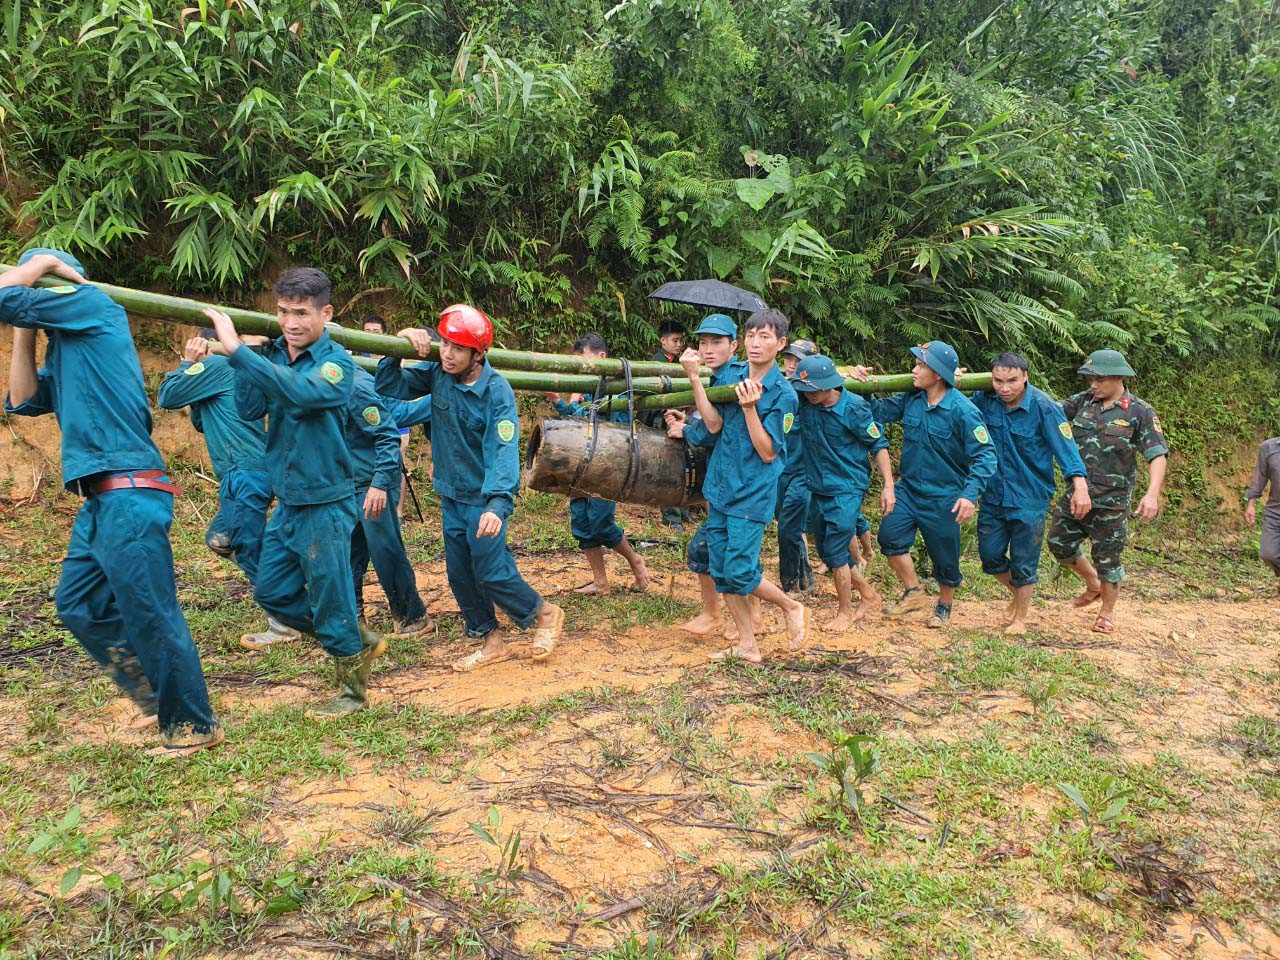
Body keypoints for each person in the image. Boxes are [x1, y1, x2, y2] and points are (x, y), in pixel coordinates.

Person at [1, 249, 222, 755]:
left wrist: (34, 273)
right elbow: (24, 398)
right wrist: (24, 326)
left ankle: (192, 723)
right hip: (99, 498)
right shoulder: (66, 344)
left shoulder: (96, 306)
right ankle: (155, 696)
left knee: (151, 612)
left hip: (129, 489)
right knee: (77, 604)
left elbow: (5, 295)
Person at [205, 268, 383, 717]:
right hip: (287, 500)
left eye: (301, 313)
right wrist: (246, 356)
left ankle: (351, 693)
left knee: (332, 597)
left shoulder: (336, 363)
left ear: (326, 313)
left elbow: (304, 396)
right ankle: (355, 640)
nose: (291, 322)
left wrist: (243, 356)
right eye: (283, 312)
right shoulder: (275, 356)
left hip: (325, 501)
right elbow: (248, 407)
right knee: (272, 592)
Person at [375, 304, 565, 671]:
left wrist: (497, 503)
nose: (446, 353)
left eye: (457, 348)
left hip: (483, 497)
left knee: (491, 569)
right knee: (459, 573)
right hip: (452, 494)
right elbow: (390, 388)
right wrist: (394, 348)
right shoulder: (438, 373)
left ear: (477, 354)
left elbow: (503, 449)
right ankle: (490, 639)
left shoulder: (497, 393)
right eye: (444, 343)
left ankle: (543, 613)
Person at [669, 308, 808, 662]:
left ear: (780, 343)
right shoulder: (730, 375)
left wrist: (749, 409)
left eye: (765, 337)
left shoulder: (783, 395)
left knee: (741, 569)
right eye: (751, 336)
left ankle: (791, 607)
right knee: (721, 569)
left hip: (753, 490)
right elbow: (713, 425)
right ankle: (747, 643)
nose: (756, 343)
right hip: (720, 486)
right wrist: (697, 380)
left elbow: (766, 452)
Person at [157, 332, 301, 650]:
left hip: (245, 472)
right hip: (241, 474)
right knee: (220, 538)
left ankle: (286, 622)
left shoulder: (217, 365)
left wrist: (187, 362)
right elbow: (199, 423)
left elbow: (167, 396)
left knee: (245, 544)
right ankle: (286, 576)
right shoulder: (223, 373)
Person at [865, 341, 997, 628]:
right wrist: (859, 383)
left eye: (921, 365)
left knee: (944, 556)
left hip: (945, 496)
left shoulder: (963, 410)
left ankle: (945, 605)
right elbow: (878, 411)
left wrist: (969, 494)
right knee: (889, 537)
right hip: (909, 490)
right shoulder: (912, 399)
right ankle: (914, 591)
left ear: (938, 374)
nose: (914, 370)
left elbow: (986, 455)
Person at [969, 352, 1091, 635]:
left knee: (1025, 559)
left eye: (1012, 380)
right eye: (998, 381)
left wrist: (1080, 487)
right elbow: (953, 405)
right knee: (990, 556)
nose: (1005, 388)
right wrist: (954, 377)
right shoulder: (985, 400)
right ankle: (1019, 594)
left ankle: (1021, 618)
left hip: (1030, 496)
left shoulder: (1044, 407)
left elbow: (1066, 450)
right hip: (994, 494)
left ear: (1026, 377)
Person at [1046, 349, 1168, 633]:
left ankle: (1107, 613)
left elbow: (1157, 455)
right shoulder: (1081, 403)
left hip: (1112, 502)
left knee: (1108, 559)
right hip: (1076, 494)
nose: (1093, 384)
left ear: (1119, 378)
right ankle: (1093, 583)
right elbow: (1045, 410)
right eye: (1090, 378)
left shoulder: (1139, 412)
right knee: (1058, 543)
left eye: (1099, 379)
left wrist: (1152, 494)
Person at [662, 314, 751, 638]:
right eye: (703, 343)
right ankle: (720, 614)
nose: (708, 349)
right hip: (723, 479)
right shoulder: (720, 379)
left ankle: (761, 614)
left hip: (738, 483)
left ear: (734, 346)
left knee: (730, 555)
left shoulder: (732, 379)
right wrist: (687, 424)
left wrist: (693, 381)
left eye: (717, 342)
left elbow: (715, 428)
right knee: (710, 550)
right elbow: (714, 425)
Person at [790, 354, 894, 630]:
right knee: (827, 551)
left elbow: (878, 445)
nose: (808, 394)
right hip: (818, 486)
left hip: (847, 488)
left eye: (813, 389)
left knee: (836, 549)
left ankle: (844, 613)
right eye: (805, 389)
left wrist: (888, 485)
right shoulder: (804, 402)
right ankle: (869, 595)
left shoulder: (855, 408)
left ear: (829, 385)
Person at [547, 333, 650, 595]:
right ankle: (601, 581)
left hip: (608, 462)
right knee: (581, 521)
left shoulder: (615, 385)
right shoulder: (588, 386)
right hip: (583, 461)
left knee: (601, 521)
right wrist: (561, 403)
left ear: (601, 357)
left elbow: (603, 421)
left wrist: (570, 403)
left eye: (584, 359)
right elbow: (576, 422)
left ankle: (634, 560)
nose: (580, 366)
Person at [345, 367, 435, 637]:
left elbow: (388, 431)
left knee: (385, 550)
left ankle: (412, 616)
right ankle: (354, 617)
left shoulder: (354, 385)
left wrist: (381, 481)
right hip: (347, 482)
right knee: (348, 552)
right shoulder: (318, 383)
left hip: (372, 480)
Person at [776, 338, 819, 594]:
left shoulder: (817, 394)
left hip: (805, 473)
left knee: (789, 528)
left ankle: (791, 583)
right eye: (789, 359)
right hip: (781, 469)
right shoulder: (779, 388)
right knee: (787, 526)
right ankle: (806, 579)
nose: (791, 365)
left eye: (798, 361)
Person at [361, 315, 414, 519]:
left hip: (396, 417)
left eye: (376, 332)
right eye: (367, 332)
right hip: (369, 420)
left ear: (384, 334)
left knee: (397, 463)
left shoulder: (394, 357)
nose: (372, 336)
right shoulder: (357, 359)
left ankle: (398, 512)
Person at [649, 319, 693, 531]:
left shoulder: (677, 362)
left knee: (685, 466)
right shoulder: (656, 363)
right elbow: (653, 398)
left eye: (680, 340)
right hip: (664, 420)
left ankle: (683, 511)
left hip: (680, 418)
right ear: (663, 341)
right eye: (675, 340)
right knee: (670, 469)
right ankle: (671, 517)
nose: (678, 344)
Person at [1244, 435, 1280, 593]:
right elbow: (1259, 478)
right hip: (1275, 511)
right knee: (1268, 554)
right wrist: (1251, 504)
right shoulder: (1269, 448)